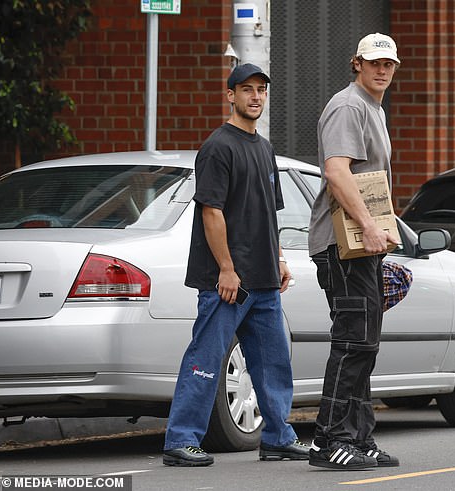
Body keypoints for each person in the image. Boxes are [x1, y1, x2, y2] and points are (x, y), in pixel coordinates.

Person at [163, 63, 309, 467]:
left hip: (263, 282)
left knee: (273, 365)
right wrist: (226, 268)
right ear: (230, 95)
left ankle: (279, 436)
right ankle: (181, 440)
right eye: (247, 90)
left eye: (261, 89)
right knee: (206, 361)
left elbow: (268, 214)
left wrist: (279, 259)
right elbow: (212, 211)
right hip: (226, 282)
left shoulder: (264, 148)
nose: (256, 97)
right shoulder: (217, 147)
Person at [307, 33, 402, 470]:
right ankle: (328, 440)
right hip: (342, 245)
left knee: (365, 343)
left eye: (389, 64)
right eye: (374, 62)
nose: (382, 70)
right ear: (356, 63)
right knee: (353, 340)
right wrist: (368, 226)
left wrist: (390, 232)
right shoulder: (348, 106)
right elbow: (336, 171)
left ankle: (359, 439)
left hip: (363, 246)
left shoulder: (373, 109)